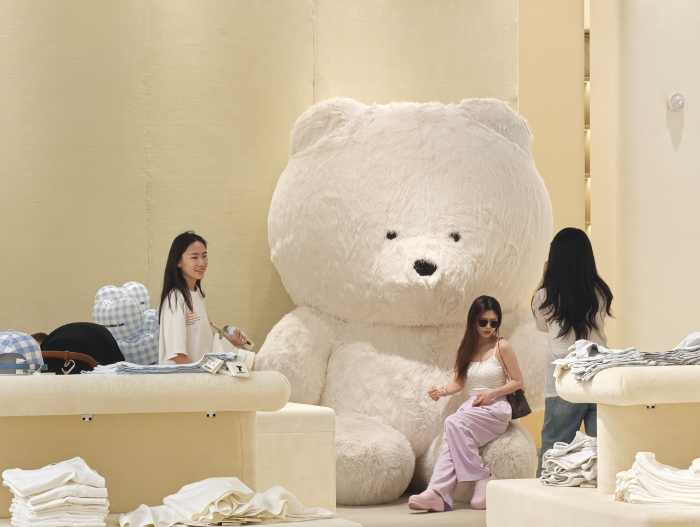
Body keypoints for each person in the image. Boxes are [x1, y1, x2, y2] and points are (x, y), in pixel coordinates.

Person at [408, 296, 524, 512]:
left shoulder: (502, 346)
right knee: (453, 439)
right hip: (472, 408)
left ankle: (483, 476)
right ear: (473, 321)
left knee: (452, 423)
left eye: (494, 322)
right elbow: (459, 383)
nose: (489, 327)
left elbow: (518, 382)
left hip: (496, 407)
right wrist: (442, 391)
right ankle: (437, 494)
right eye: (483, 321)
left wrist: (492, 393)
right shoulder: (464, 348)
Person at [532, 227, 613, 477]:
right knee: (603, 448)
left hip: (563, 378)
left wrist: (546, 278)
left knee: (554, 447)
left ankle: (545, 495)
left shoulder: (544, 296)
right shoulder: (600, 293)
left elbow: (541, 326)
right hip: (598, 373)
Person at [158, 231, 247, 365]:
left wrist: (230, 342)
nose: (202, 262)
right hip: (183, 375)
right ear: (178, 262)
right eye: (194, 257)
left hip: (198, 373)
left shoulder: (198, 294)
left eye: (204, 256)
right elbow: (177, 355)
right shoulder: (176, 298)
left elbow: (201, 345)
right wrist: (199, 376)